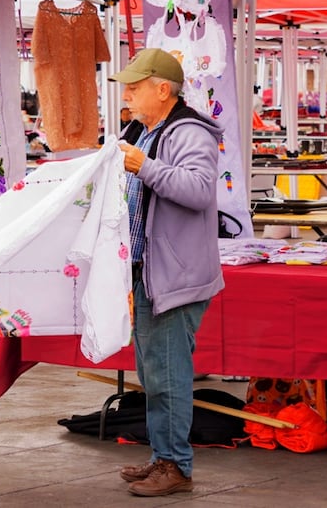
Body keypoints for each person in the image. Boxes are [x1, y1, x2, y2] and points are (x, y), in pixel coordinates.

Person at [111, 48, 225, 497]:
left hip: (173, 276)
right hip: (152, 271)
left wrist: (145, 167)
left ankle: (175, 465)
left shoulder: (189, 134)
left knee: (168, 374)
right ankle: (164, 457)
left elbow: (198, 190)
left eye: (135, 87)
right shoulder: (143, 129)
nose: (127, 94)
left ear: (163, 89)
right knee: (154, 372)